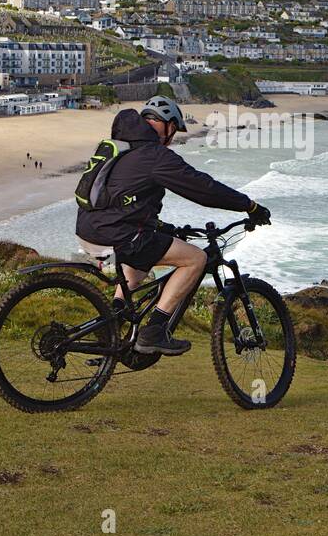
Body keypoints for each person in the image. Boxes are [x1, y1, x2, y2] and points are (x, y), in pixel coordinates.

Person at [75, 96, 270, 356]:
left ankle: (110, 329)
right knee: (196, 259)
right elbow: (203, 188)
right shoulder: (154, 155)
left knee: (137, 272)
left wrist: (162, 227)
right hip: (119, 233)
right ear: (166, 125)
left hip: (89, 229)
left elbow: (125, 198)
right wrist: (249, 206)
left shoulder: (122, 146)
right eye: (173, 130)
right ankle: (154, 331)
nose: (172, 138)